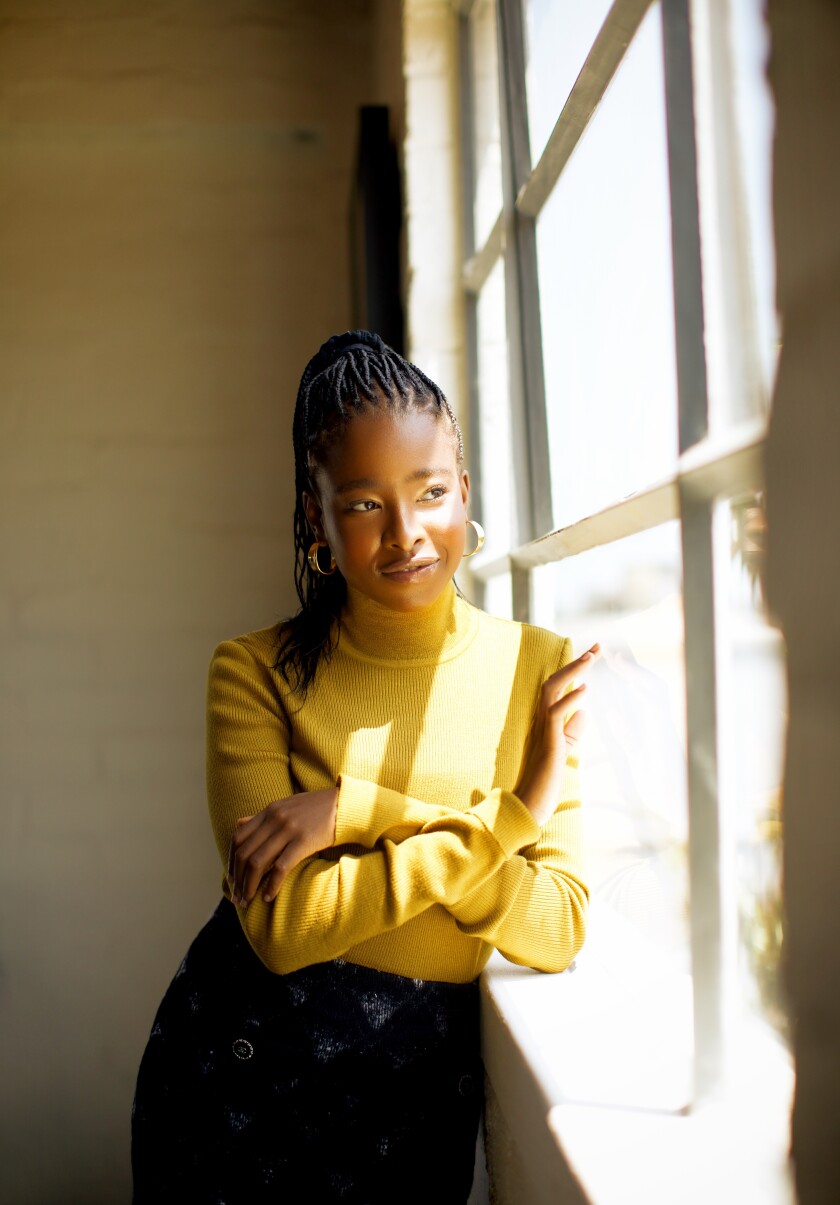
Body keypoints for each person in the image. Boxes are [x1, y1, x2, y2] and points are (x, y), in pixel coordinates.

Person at [131, 330, 596, 1204]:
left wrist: (360, 810)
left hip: (412, 1106)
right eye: (363, 504)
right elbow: (283, 927)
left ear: (464, 488)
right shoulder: (252, 672)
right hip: (238, 1084)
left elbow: (557, 925)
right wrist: (506, 823)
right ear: (315, 517)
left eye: (429, 492)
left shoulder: (539, 667)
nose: (407, 533)